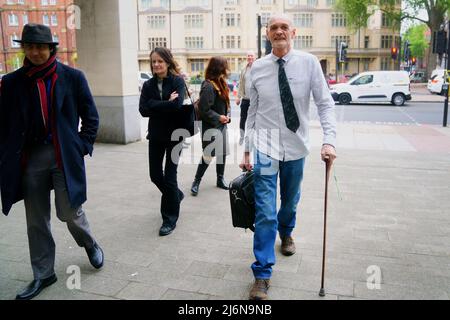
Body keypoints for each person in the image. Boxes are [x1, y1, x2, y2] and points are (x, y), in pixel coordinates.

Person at [0, 24, 103, 300]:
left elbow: (91, 116)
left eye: (40, 47)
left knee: (68, 211)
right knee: (36, 219)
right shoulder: (11, 83)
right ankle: (43, 273)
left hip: (63, 155)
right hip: (30, 159)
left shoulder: (72, 77)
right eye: (29, 46)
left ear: (51, 48)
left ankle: (90, 242)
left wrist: (81, 145)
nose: (34, 52)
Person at [240, 15, 337, 300]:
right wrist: (247, 148)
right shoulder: (257, 68)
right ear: (267, 34)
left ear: (293, 32)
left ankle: (287, 231)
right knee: (265, 212)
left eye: (284, 27)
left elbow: (325, 104)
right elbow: (252, 112)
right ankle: (262, 274)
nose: (279, 31)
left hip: (296, 146)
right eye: (274, 28)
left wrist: (329, 141)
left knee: (290, 200)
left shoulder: (308, 64)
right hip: (266, 146)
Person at [139, 47, 186, 237]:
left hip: (176, 136)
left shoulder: (177, 81)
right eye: (153, 62)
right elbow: (143, 110)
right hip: (156, 135)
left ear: (167, 62)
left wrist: (155, 104)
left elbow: (177, 105)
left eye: (160, 61)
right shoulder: (149, 85)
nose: (156, 64)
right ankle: (175, 195)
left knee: (170, 176)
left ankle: (169, 219)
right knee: (155, 175)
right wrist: (166, 102)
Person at [190, 56, 231, 196]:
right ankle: (196, 181)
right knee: (209, 154)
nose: (227, 69)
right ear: (219, 67)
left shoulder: (220, 82)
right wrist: (219, 117)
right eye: (225, 66)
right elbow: (203, 109)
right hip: (210, 125)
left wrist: (226, 116)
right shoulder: (208, 85)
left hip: (221, 124)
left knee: (222, 152)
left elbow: (224, 104)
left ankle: (220, 179)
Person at [236, 51, 256, 146]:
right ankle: (241, 136)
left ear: (254, 57)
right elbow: (241, 84)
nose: (250, 57)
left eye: (251, 55)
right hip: (245, 99)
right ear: (246, 57)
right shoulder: (244, 70)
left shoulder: (258, 68)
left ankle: (252, 138)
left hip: (255, 100)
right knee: (243, 119)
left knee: (254, 120)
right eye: (248, 56)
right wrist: (238, 97)